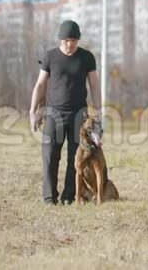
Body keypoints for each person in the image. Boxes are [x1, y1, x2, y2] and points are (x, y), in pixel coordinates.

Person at [29, 20, 102, 205]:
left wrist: (99, 111)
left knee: (74, 157)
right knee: (50, 155)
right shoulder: (50, 56)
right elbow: (40, 84)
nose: (69, 44)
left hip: (80, 115)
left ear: (78, 40)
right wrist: (33, 110)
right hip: (54, 113)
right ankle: (49, 197)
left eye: (73, 40)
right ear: (60, 39)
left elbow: (94, 85)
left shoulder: (87, 57)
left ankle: (69, 196)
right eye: (66, 41)